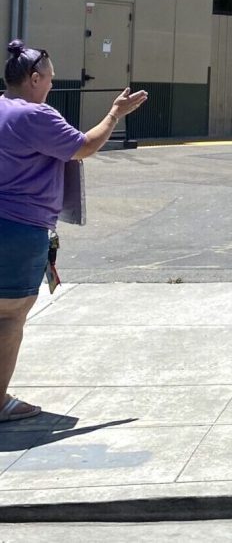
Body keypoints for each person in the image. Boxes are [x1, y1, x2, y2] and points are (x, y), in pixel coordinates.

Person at [0, 40, 147, 422]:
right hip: (19, 228)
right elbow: (83, 147)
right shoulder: (36, 115)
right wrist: (114, 114)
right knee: (9, 316)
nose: (51, 83)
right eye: (49, 77)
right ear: (34, 78)